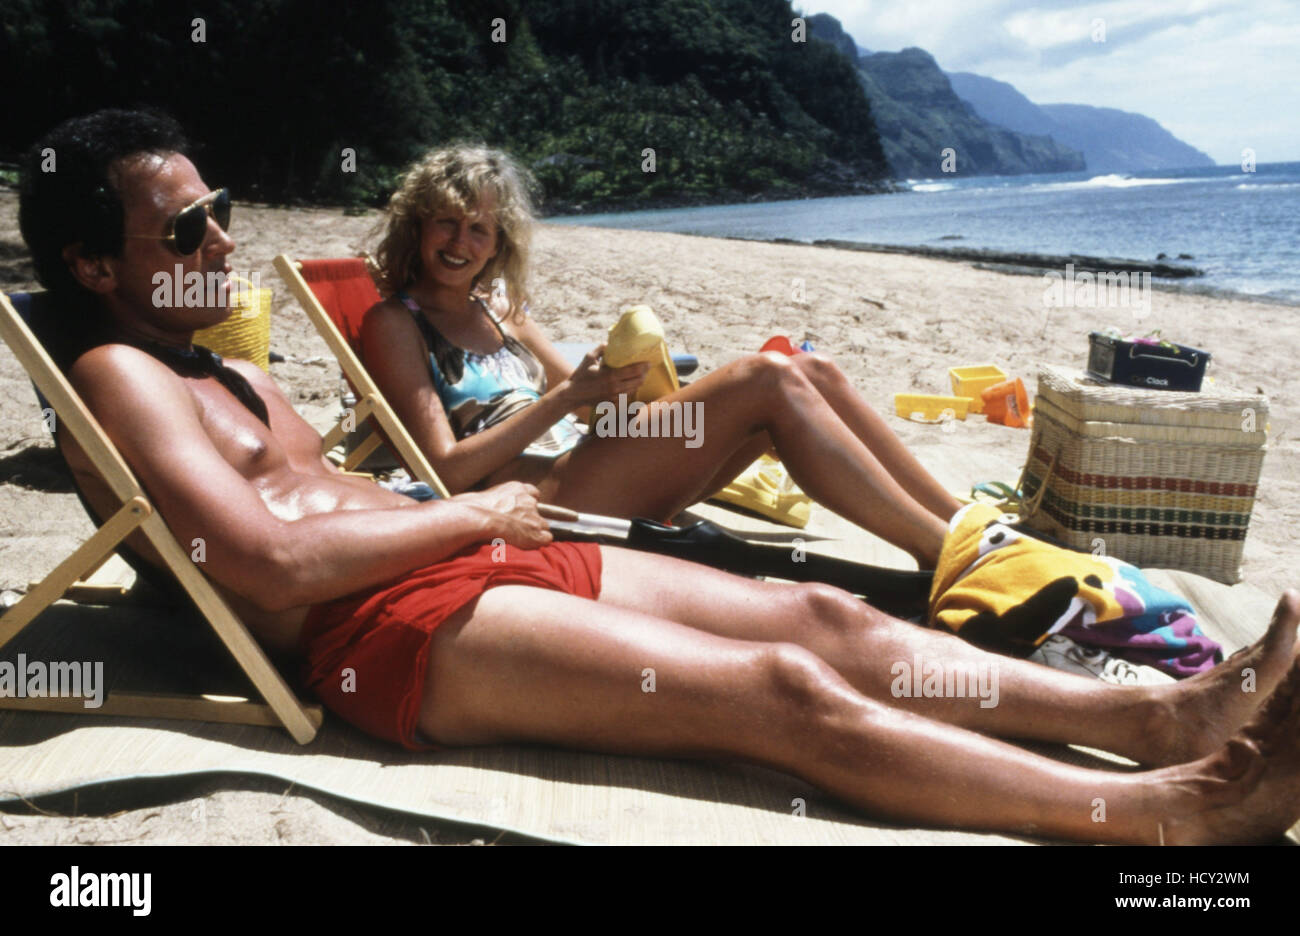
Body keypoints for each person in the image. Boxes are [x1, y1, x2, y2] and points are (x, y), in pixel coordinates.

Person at [17, 109, 1300, 846]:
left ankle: (1158, 721)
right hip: (382, 630)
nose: (223, 241)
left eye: (218, 206)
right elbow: (261, 563)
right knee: (780, 689)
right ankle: (1159, 818)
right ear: (91, 267)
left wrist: (472, 509)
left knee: (828, 618)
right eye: (185, 229)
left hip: (460, 551)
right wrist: (471, 507)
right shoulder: (125, 379)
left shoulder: (213, 367)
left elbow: (318, 502)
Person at [362, 145, 961, 569]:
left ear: (498, 245)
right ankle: (941, 551)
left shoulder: (498, 308)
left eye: (479, 229)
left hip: (599, 461)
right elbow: (442, 471)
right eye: (446, 223)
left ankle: (960, 522)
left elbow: (584, 402)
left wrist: (614, 383)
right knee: (767, 377)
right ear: (417, 225)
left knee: (812, 370)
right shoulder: (395, 324)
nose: (460, 242)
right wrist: (568, 398)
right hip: (551, 495)